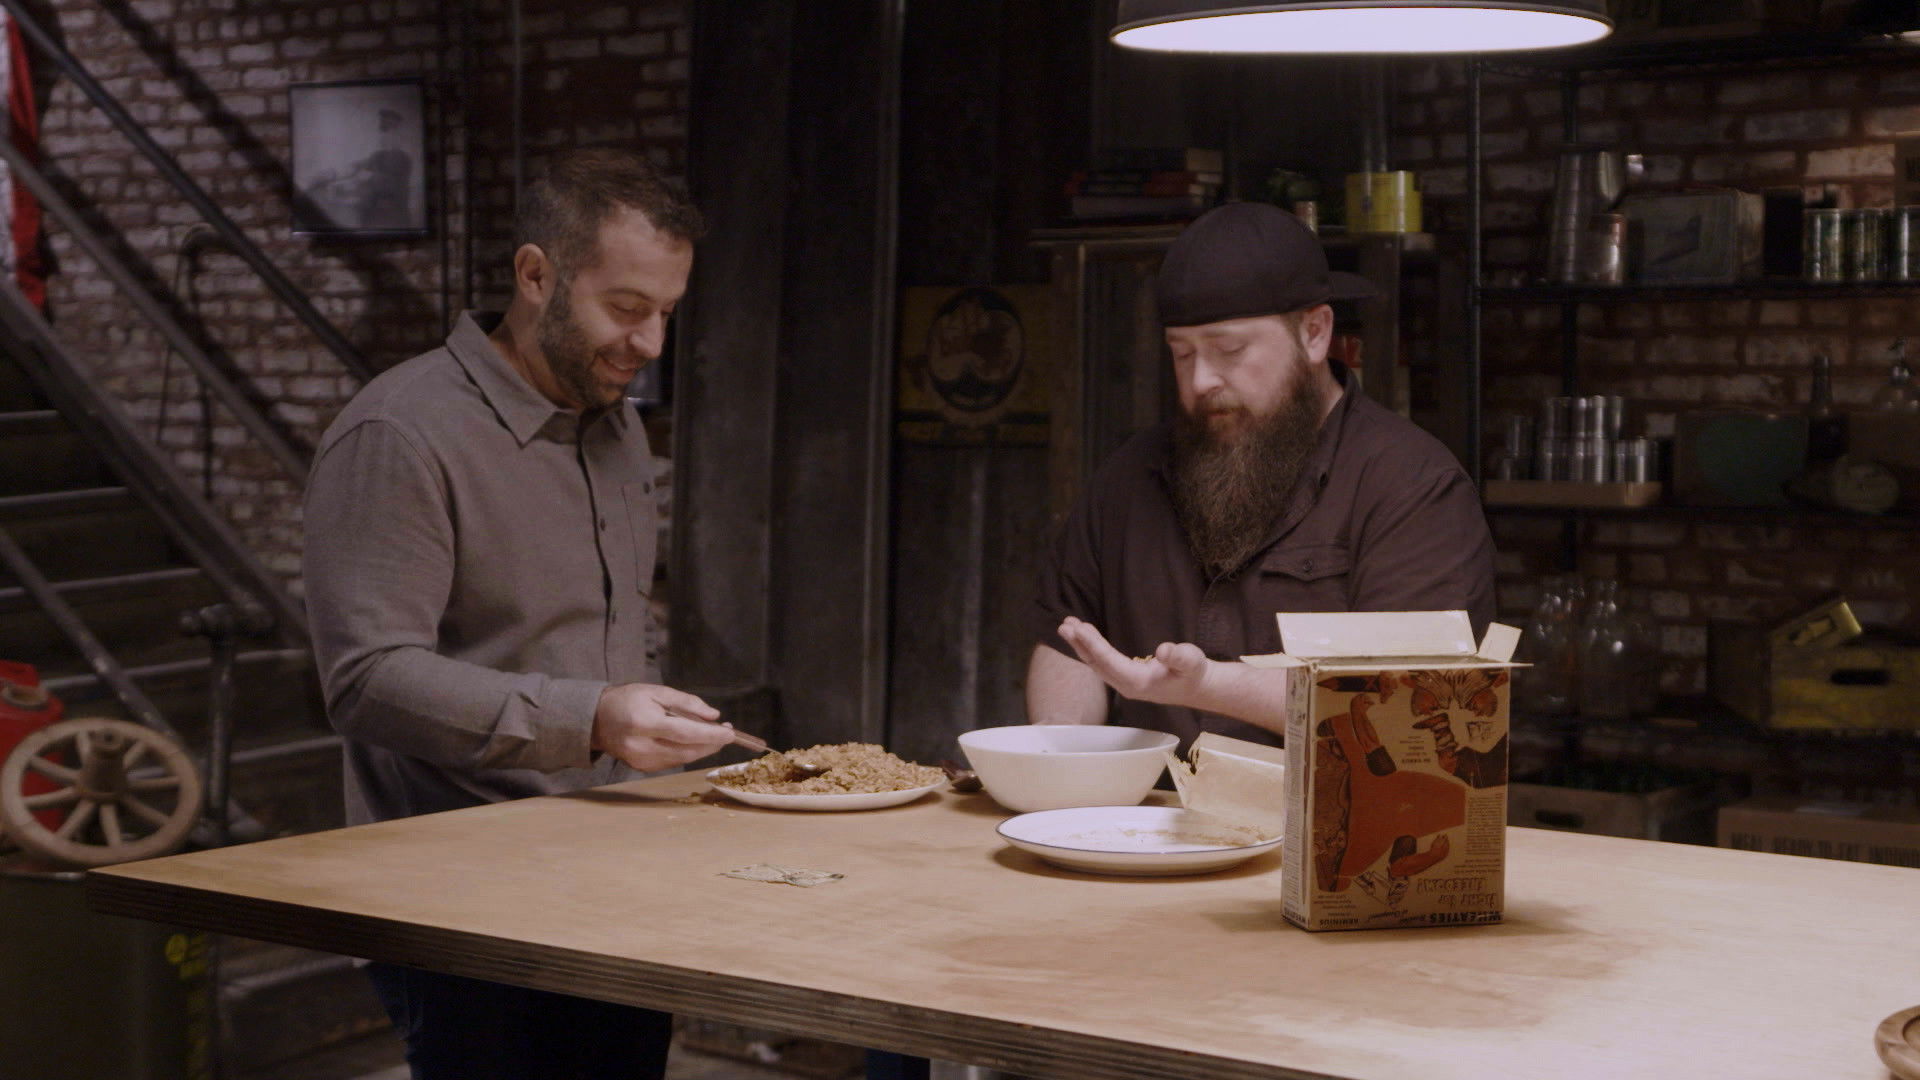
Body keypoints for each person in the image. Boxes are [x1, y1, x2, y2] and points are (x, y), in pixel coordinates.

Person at [303, 147, 732, 1080]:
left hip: (613, 874)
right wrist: (594, 718)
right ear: (535, 275)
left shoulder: (615, 421)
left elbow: (600, 635)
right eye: (627, 307)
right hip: (454, 896)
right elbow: (365, 681)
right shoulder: (400, 432)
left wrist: (639, 723)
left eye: (667, 312)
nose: (652, 343)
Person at [1027, 201, 1497, 744]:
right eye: (1182, 354)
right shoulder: (1128, 477)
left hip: (1326, 801)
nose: (1200, 381)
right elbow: (1068, 638)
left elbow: (1414, 708)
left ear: (1315, 333)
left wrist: (1209, 685)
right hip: (1146, 802)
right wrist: (1058, 746)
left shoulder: (1413, 487)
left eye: (1228, 350)